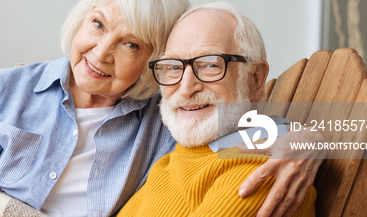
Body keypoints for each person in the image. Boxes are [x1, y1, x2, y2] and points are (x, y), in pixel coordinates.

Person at [0, 0, 323, 216]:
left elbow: (231, 118)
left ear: (152, 64)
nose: (100, 53)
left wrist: (306, 137)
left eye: (130, 44)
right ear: (81, 20)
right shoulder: (10, 88)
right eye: (97, 24)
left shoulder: (164, 113)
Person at [118, 2, 316, 217]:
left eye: (210, 64)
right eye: (174, 67)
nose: (185, 89)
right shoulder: (174, 159)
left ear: (255, 78)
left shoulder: (265, 169)